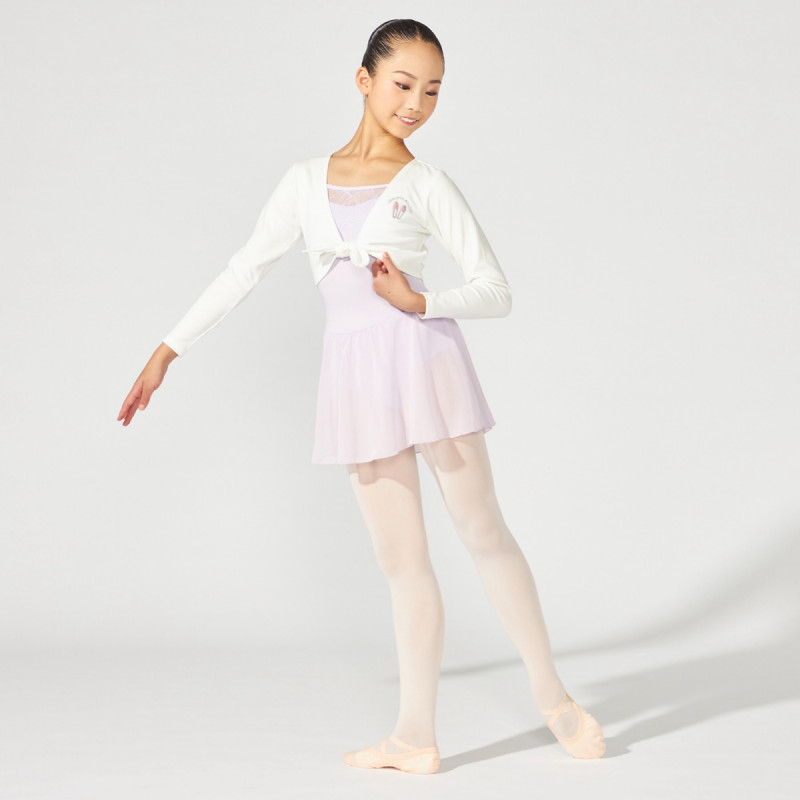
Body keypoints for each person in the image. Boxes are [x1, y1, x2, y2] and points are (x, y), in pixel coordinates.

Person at [117, 18, 606, 774]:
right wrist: (167, 350)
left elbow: (496, 289)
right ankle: (414, 737)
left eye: (433, 91)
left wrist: (420, 301)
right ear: (364, 80)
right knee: (401, 562)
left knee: (483, 532)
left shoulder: (428, 184)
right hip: (355, 379)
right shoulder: (304, 181)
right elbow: (246, 267)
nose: (416, 104)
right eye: (404, 84)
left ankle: (554, 699)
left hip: (426, 363)